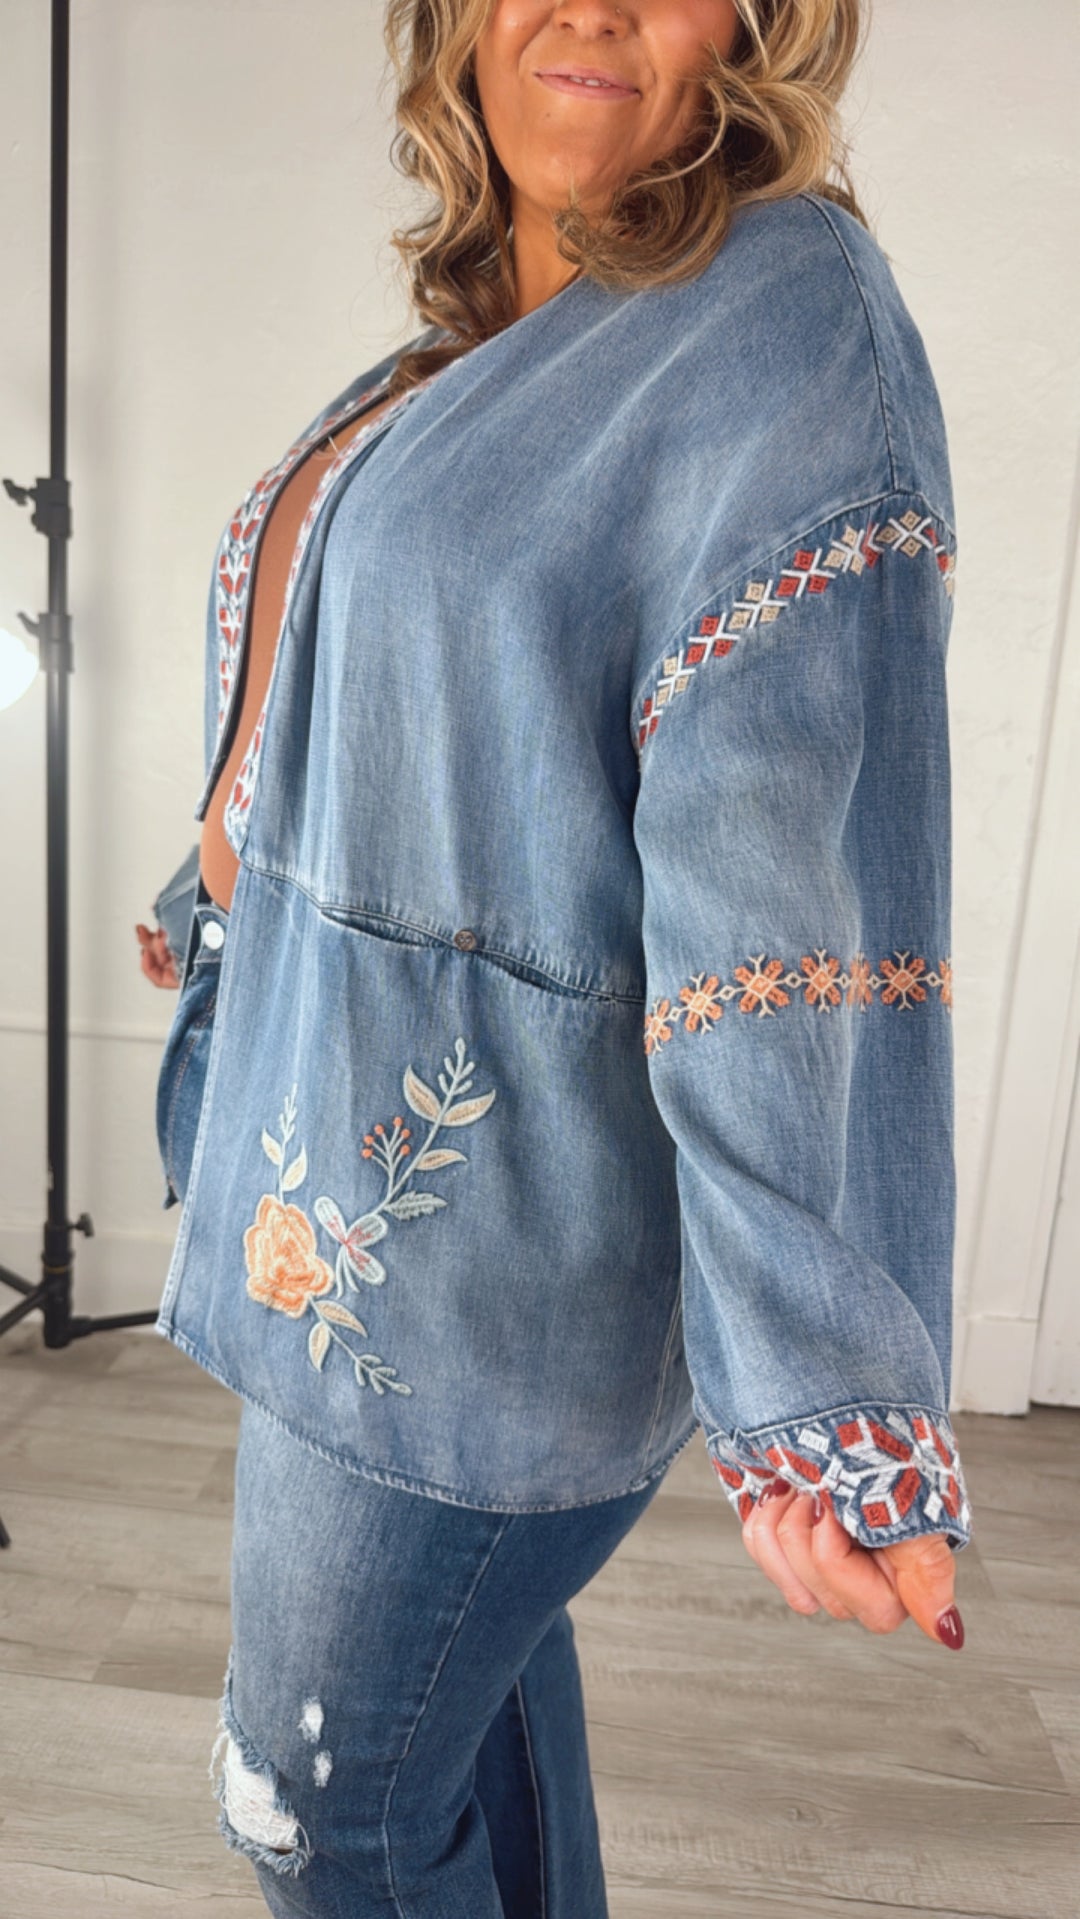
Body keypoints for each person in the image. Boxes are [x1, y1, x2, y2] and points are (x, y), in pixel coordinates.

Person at [136, 1, 973, 1910]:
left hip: (476, 1257)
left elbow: (787, 885)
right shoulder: (495, 329)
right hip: (318, 1145)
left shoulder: (782, 317)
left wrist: (823, 1382)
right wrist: (217, 889)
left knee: (317, 1805)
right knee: (464, 1717)